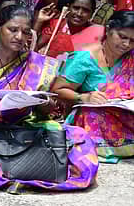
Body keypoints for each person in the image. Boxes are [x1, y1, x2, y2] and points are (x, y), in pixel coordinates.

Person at [0, 3, 99, 193]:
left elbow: (46, 108)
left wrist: (45, 104)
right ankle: (25, 168)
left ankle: (15, 170)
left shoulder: (34, 61)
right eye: (13, 30)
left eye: (25, 32)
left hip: (27, 125)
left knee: (79, 136)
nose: (19, 37)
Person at [51, 10, 134, 163]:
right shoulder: (84, 58)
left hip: (126, 113)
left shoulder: (131, 57)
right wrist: (84, 97)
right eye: (122, 37)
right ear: (108, 30)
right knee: (90, 115)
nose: (126, 44)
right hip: (97, 114)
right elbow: (57, 90)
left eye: (132, 40)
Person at [36, 0, 104, 58]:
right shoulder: (57, 24)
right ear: (68, 7)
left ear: (92, 14)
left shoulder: (95, 33)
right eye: (76, 8)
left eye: (86, 10)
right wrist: (39, 22)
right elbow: (34, 48)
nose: (79, 14)